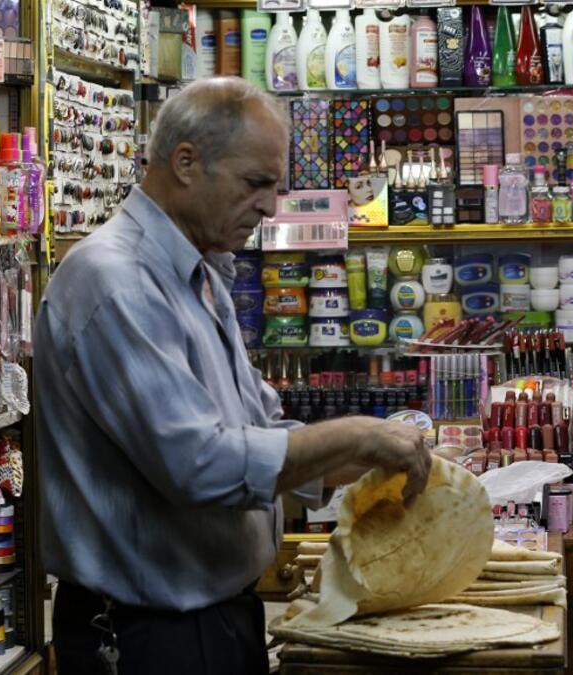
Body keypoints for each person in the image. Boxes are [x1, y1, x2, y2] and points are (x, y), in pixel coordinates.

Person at [33, 77, 432, 675]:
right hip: (146, 639)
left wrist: (389, 455)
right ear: (186, 163)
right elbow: (200, 464)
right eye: (256, 184)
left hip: (208, 623)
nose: (272, 207)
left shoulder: (198, 276)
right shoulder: (115, 283)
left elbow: (262, 431)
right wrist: (354, 436)